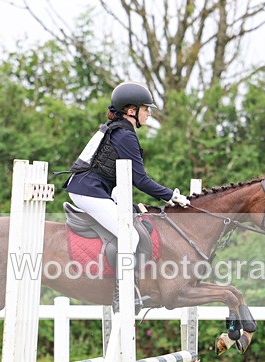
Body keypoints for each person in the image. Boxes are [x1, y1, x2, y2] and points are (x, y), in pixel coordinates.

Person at [64, 81, 190, 311]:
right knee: (129, 235)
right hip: (88, 191)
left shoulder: (119, 130)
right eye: (146, 109)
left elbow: (119, 176)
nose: (149, 113)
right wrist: (171, 196)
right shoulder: (124, 135)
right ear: (131, 111)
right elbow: (140, 180)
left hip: (95, 188)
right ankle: (122, 295)